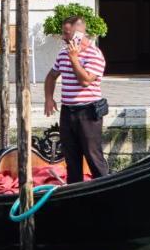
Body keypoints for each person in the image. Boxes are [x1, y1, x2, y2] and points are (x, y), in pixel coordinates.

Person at [43, 16, 108, 183]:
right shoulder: (63, 53)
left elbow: (85, 81)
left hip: (88, 113)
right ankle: (75, 192)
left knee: (93, 156)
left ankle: (104, 189)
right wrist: (49, 98)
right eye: (63, 33)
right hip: (67, 111)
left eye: (67, 34)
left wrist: (74, 59)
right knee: (71, 158)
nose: (64, 37)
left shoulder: (95, 55)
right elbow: (51, 76)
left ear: (79, 34)